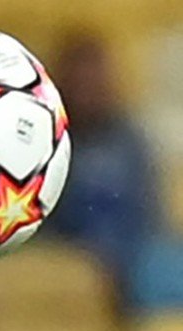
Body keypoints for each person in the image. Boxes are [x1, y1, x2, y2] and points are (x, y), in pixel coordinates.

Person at [43, 32, 160, 287]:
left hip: (135, 259)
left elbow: (148, 212)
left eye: (96, 80)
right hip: (71, 264)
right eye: (81, 82)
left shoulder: (130, 141)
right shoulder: (48, 145)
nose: (90, 90)